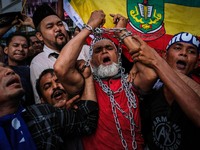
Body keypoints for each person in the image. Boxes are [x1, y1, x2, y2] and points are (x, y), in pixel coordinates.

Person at [54, 10, 157, 150]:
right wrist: (90, 26)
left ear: (118, 55)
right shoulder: (86, 84)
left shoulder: (130, 81)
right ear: (91, 60)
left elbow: (151, 73)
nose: (104, 52)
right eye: (98, 50)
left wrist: (121, 32)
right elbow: (61, 67)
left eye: (109, 48)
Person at [0, 62, 98, 150]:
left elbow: (88, 122)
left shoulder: (43, 113)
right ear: (42, 100)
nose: (9, 71)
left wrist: (87, 76)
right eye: (47, 86)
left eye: (58, 81)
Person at [132, 32, 200, 149]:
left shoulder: (196, 90)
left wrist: (157, 63)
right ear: (165, 55)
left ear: (197, 64)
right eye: (177, 48)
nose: (184, 53)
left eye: (191, 51)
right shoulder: (152, 89)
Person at [30, 3, 70, 103]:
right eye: (50, 26)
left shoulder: (83, 50)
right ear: (39, 36)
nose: (57, 29)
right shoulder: (38, 63)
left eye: (60, 24)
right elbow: (42, 102)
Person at [4, 33, 34, 106]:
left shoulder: (33, 69)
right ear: (6, 50)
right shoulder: (2, 72)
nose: (20, 49)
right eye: (15, 45)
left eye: (25, 46)